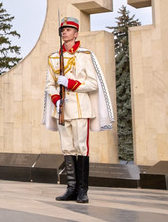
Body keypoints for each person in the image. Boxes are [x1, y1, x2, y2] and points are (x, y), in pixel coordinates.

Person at [43, 16, 114, 204]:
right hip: (62, 110)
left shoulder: (85, 55)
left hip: (81, 109)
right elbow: (49, 84)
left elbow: (93, 83)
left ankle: (83, 190)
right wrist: (56, 99)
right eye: (62, 30)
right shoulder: (53, 58)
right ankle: (71, 188)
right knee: (67, 148)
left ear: (76, 33)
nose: (64, 32)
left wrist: (71, 83)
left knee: (81, 148)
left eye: (68, 29)